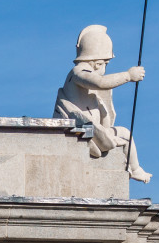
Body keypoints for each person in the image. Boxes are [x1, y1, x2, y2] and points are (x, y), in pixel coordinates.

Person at [54, 25, 151, 182]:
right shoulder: (78, 72)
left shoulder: (84, 72)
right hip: (87, 129)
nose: (106, 67)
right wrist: (128, 75)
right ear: (97, 62)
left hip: (96, 130)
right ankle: (133, 166)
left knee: (126, 134)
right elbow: (100, 83)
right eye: (106, 63)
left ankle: (136, 168)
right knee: (123, 136)